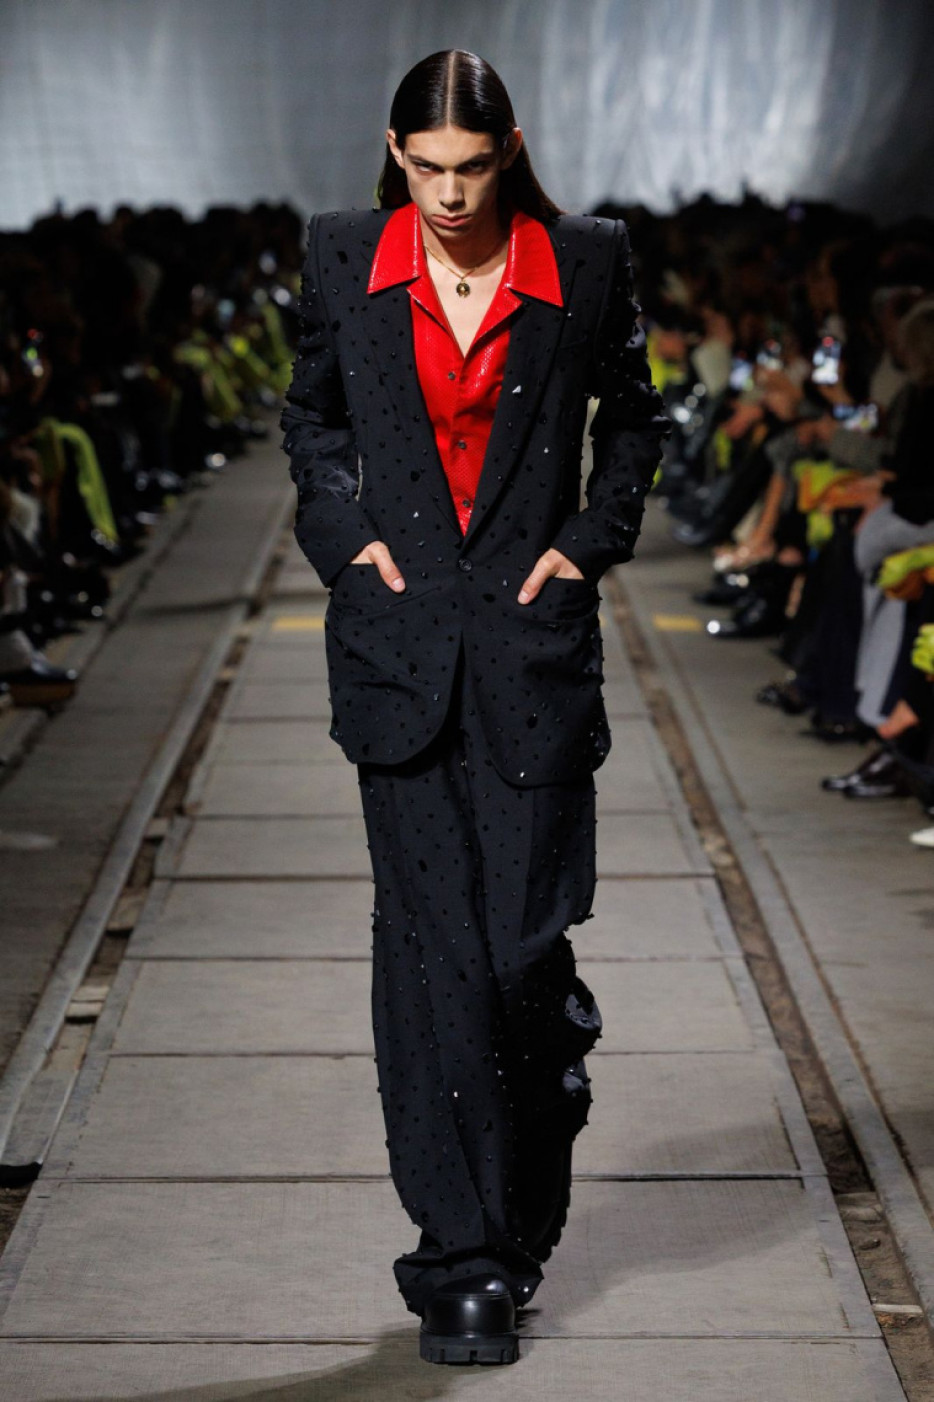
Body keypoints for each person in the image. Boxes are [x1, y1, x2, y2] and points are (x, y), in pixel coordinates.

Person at [280, 48, 668, 1367]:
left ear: (508, 155)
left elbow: (636, 419)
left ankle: (529, 1154)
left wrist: (587, 542)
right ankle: (462, 1258)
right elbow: (312, 419)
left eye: (472, 167)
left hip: (530, 656)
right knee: (431, 958)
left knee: (518, 959)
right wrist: (344, 539)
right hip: (396, 656)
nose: (449, 194)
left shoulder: (588, 261)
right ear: (396, 153)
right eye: (427, 166)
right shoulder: (344, 254)